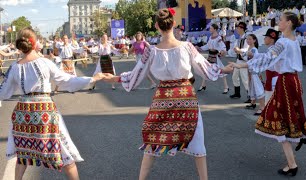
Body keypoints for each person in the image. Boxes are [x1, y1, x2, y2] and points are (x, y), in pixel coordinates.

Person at [103, 8, 233, 180]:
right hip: (186, 97)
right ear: (173, 24)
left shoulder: (151, 51)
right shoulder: (187, 47)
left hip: (163, 99)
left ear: (157, 25)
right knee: (197, 141)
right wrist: (224, 69)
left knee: (153, 139)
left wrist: (115, 78)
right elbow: (205, 69)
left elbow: (136, 76)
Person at [0, 27, 106, 180]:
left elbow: (3, 92)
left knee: (22, 155)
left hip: (23, 114)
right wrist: (92, 79)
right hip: (44, 111)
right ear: (35, 43)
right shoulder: (44, 63)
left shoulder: (15, 67)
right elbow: (66, 81)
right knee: (66, 155)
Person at [229, 12, 306, 176]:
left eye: (281, 20)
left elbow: (266, 59)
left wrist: (242, 66)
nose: (278, 22)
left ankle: (292, 163)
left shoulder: (283, 42)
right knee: (286, 116)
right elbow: (268, 58)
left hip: (286, 83)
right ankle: (296, 142)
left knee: (278, 118)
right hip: (294, 81)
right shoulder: (294, 42)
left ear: (288, 23)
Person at [235, 34, 264, 115]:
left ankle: (262, 107)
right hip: (250, 71)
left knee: (258, 89)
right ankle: (253, 102)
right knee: (252, 87)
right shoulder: (249, 48)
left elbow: (250, 54)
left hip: (255, 72)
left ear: (254, 40)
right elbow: (246, 57)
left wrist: (240, 51)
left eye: (250, 39)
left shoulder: (254, 49)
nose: (248, 41)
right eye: (247, 39)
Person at [196, 24, 229, 94]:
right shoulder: (211, 37)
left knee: (221, 71)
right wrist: (200, 48)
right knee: (206, 70)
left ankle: (226, 87)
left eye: (211, 28)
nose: (210, 29)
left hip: (215, 57)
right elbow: (208, 46)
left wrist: (222, 51)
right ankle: (203, 85)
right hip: (210, 56)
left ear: (215, 29)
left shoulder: (219, 38)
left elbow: (222, 46)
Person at [230, 22, 250, 103]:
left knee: (245, 78)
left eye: (238, 28)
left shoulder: (246, 38)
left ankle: (250, 96)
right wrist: (234, 50)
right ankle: (237, 93)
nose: (237, 29)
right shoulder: (239, 38)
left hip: (244, 61)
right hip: (238, 60)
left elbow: (246, 49)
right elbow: (235, 47)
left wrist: (239, 50)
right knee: (234, 76)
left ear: (241, 28)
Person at [262, 29, 280, 103]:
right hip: (271, 77)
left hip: (274, 78)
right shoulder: (270, 49)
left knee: (271, 102)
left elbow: (269, 63)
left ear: (272, 40)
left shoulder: (273, 50)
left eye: (266, 37)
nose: (264, 39)